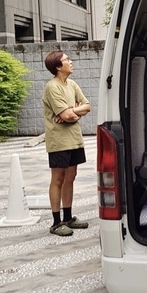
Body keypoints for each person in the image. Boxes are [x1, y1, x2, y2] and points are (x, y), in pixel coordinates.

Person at [42, 50, 91, 236]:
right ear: (58, 66)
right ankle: (56, 222)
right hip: (59, 141)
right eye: (66, 60)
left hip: (74, 139)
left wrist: (71, 111)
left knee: (71, 177)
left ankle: (68, 217)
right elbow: (67, 116)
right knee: (58, 179)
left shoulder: (72, 84)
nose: (71, 62)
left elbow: (87, 105)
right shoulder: (52, 87)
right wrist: (72, 112)